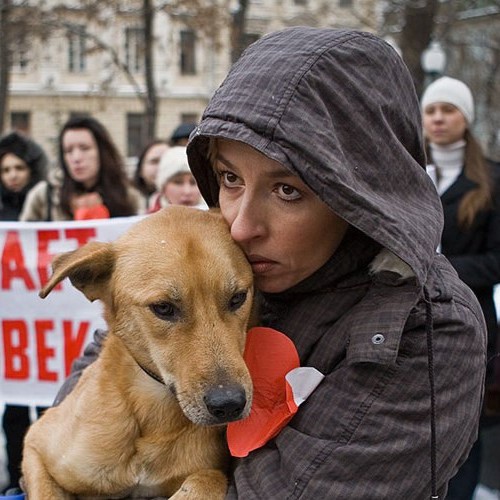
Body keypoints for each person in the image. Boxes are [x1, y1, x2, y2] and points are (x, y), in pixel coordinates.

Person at [50, 28, 486, 498]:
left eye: (288, 190)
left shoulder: (430, 331)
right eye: (230, 177)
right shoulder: (213, 261)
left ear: (362, 192)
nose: (239, 225)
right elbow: (67, 430)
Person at [421, 76, 500, 499]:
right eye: (431, 110)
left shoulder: (491, 180)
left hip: (474, 323)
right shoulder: (411, 173)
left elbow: (496, 259)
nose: (437, 119)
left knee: (467, 431)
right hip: (414, 320)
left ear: (464, 119)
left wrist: (440, 268)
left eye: (447, 110)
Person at [0, 131, 48, 493]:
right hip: (16, 326)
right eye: (6, 169)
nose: (12, 175)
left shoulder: (43, 203)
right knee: (14, 414)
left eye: (18, 167)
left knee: (50, 407)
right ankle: (22, 476)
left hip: (51, 330)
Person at [20, 116, 145, 221]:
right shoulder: (43, 196)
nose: (76, 158)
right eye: (68, 151)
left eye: (85, 148)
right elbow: (24, 240)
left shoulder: (129, 196)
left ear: (102, 152)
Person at [148, 145, 205, 210]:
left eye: (193, 183)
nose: (187, 191)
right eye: (178, 182)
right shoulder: (144, 219)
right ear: (163, 188)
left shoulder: (215, 216)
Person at [132, 139, 169, 208]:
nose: (161, 166)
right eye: (154, 161)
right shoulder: (129, 204)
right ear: (140, 169)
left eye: (166, 160)